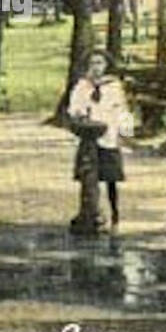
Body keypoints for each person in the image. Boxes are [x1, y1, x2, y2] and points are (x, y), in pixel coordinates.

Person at [67, 49, 129, 231]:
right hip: (89, 139)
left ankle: (115, 215)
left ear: (106, 65)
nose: (96, 68)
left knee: (111, 179)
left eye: (100, 63)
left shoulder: (114, 86)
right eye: (93, 63)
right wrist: (79, 114)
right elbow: (74, 108)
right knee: (88, 177)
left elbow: (123, 110)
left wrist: (125, 132)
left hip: (109, 137)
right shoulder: (82, 86)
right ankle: (89, 213)